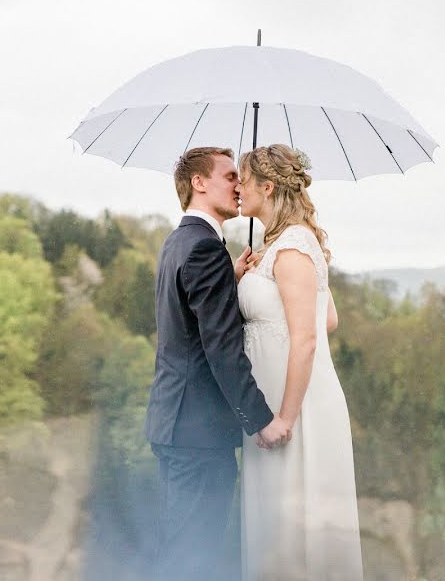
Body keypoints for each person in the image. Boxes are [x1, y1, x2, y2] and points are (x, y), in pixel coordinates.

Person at [144, 146, 292, 580]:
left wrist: (230, 281)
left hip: (174, 422)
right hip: (199, 431)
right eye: (230, 176)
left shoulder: (180, 242)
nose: (239, 185)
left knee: (179, 547)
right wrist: (262, 420)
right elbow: (221, 347)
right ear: (199, 183)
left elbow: (187, 325)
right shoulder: (205, 249)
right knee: (194, 556)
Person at [237, 144, 364, 580]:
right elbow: (328, 317)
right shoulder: (279, 246)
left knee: (293, 531)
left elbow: (308, 338)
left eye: (245, 180)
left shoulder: (291, 247)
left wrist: (286, 417)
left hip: (294, 409)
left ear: (267, 188)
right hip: (276, 400)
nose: (238, 188)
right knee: (279, 524)